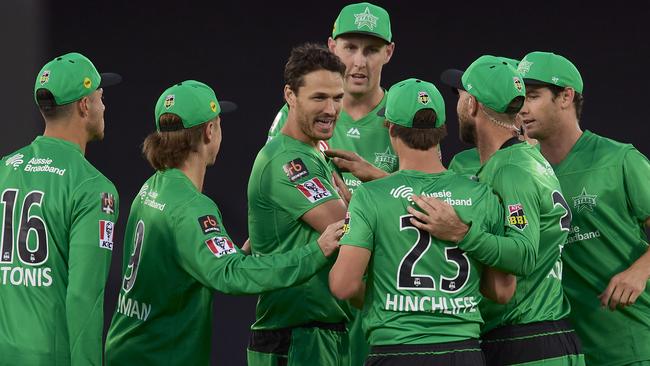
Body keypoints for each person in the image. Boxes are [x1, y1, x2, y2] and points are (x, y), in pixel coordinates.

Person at [104, 80, 343, 365]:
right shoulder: (193, 207)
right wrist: (316, 251)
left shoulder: (151, 189)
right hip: (160, 355)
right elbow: (231, 275)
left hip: (127, 346)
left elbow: (191, 264)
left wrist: (236, 253)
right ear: (210, 130)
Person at [408, 55, 584, 365]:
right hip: (532, 336)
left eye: (461, 95)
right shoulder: (517, 161)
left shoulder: (512, 169)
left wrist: (461, 232)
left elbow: (523, 254)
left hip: (527, 338)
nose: (457, 104)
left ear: (472, 105)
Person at [329, 78, 515, 365]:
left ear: (390, 128)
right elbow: (501, 291)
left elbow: (343, 286)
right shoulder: (480, 194)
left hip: (395, 349)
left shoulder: (370, 196)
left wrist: (385, 296)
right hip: (462, 351)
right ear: (441, 131)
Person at [517, 51, 650, 365]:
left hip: (630, 343)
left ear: (565, 96)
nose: (522, 108)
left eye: (533, 96)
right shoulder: (523, 172)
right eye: (519, 97)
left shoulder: (619, 159)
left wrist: (639, 271)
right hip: (564, 351)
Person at [0, 52, 121, 365]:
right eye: (100, 96)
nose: (104, 105)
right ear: (84, 105)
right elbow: (84, 299)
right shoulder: (93, 187)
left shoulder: (4, 169)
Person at [247, 43, 351, 366]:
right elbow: (350, 229)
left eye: (338, 98)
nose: (331, 109)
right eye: (319, 97)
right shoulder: (287, 160)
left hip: (317, 331)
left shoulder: (313, 149)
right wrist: (356, 198)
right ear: (290, 96)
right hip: (296, 336)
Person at [268, 2, 397, 192]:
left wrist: (376, 176)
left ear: (388, 52)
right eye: (350, 48)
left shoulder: (405, 114)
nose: (360, 62)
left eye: (371, 50)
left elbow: (429, 196)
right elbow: (272, 183)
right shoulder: (298, 111)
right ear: (332, 47)